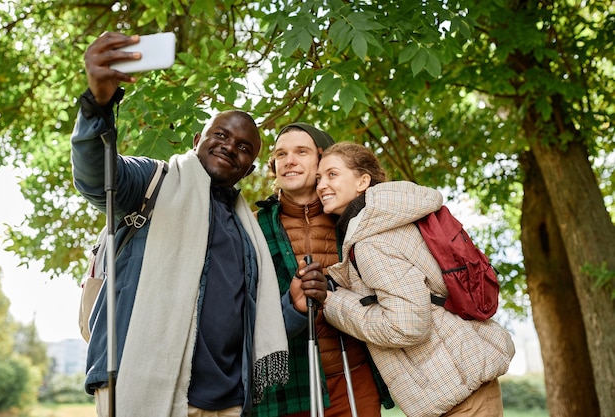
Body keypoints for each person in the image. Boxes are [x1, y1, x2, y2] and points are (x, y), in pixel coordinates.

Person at [71, 32, 327, 417]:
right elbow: (96, 177)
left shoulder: (247, 230)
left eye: (244, 148)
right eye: (220, 135)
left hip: (224, 401)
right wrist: (98, 105)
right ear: (197, 140)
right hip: (139, 384)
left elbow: (250, 323)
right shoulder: (152, 181)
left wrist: (292, 307)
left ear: (250, 167)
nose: (230, 147)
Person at [316, 142, 516, 417]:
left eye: (332, 174)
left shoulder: (371, 240)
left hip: (457, 393)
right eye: (318, 178)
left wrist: (335, 304)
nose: (321, 185)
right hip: (463, 377)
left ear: (363, 181)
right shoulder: (393, 218)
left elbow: (407, 325)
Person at [254, 125, 392, 417]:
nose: (289, 160)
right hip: (287, 384)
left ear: (322, 161)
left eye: (301, 152)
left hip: (352, 375)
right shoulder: (252, 227)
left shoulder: (355, 219)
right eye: (281, 154)